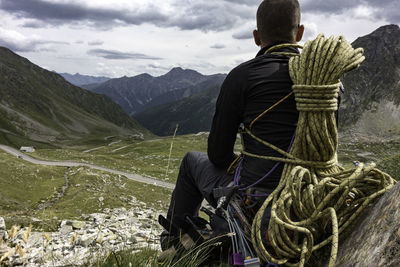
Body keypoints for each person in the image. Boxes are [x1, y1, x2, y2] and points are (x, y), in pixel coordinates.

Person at [163, 0, 304, 246]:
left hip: (255, 196)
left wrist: (244, 163)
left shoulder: (242, 76)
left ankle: (173, 242)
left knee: (190, 162)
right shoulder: (323, 81)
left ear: (256, 37)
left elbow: (218, 154)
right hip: (306, 192)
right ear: (300, 32)